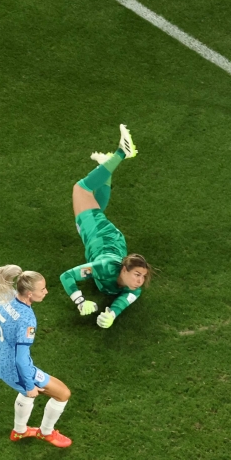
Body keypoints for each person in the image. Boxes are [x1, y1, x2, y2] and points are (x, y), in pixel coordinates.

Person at [60, 124, 152, 328]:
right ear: (124, 270)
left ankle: (104, 168)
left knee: (95, 206)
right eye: (137, 275)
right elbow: (66, 276)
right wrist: (80, 301)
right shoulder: (103, 267)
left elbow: (123, 302)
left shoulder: (133, 288)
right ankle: (121, 153)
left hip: (112, 240)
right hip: (100, 235)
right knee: (82, 190)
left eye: (142, 276)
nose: (140, 281)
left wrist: (112, 315)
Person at [0, 266, 73, 447]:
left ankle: (19, 431)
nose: (46, 292)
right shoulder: (26, 319)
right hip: (16, 369)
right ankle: (46, 433)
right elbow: (21, 360)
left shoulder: (5, 296)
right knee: (63, 394)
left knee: (28, 393)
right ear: (29, 293)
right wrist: (29, 385)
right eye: (42, 289)